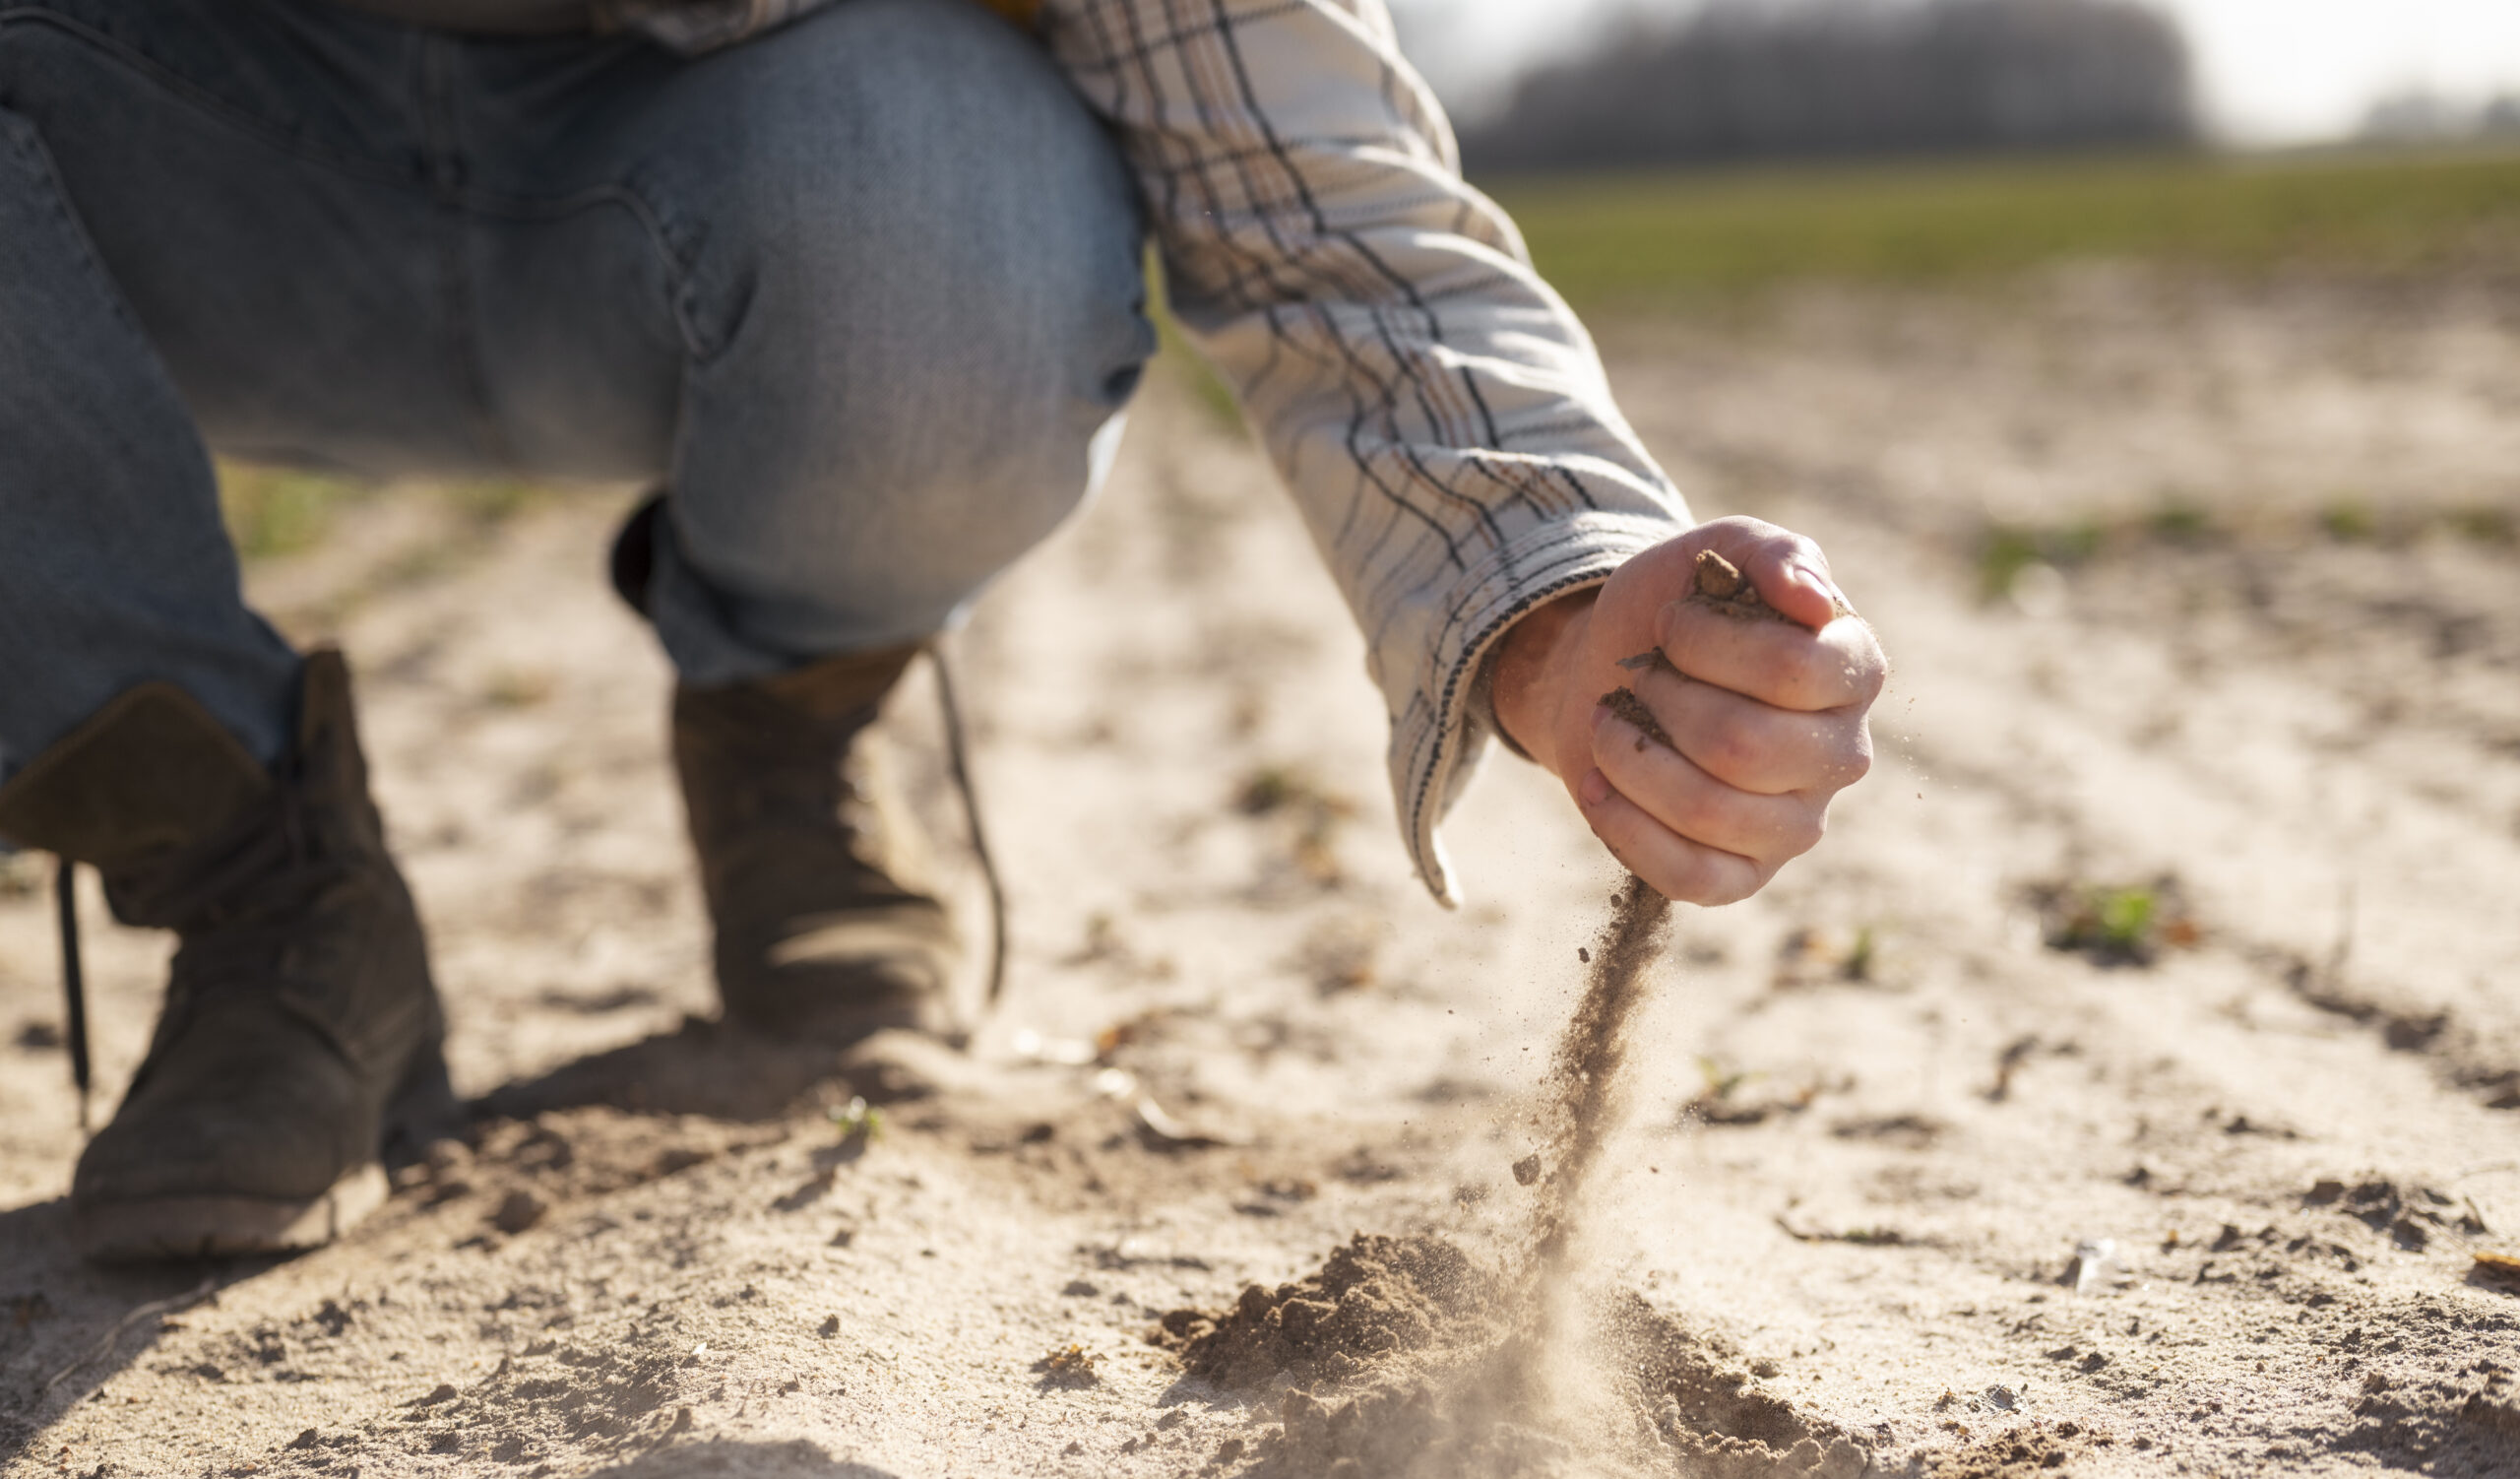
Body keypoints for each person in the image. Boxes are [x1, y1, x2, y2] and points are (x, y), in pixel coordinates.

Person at [0, 0, 1886, 1264]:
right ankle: (252, 872)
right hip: (168, 175)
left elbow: (1311, 194)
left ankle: (789, 716)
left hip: (728, 191)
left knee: (947, 167)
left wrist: (1550, 594)